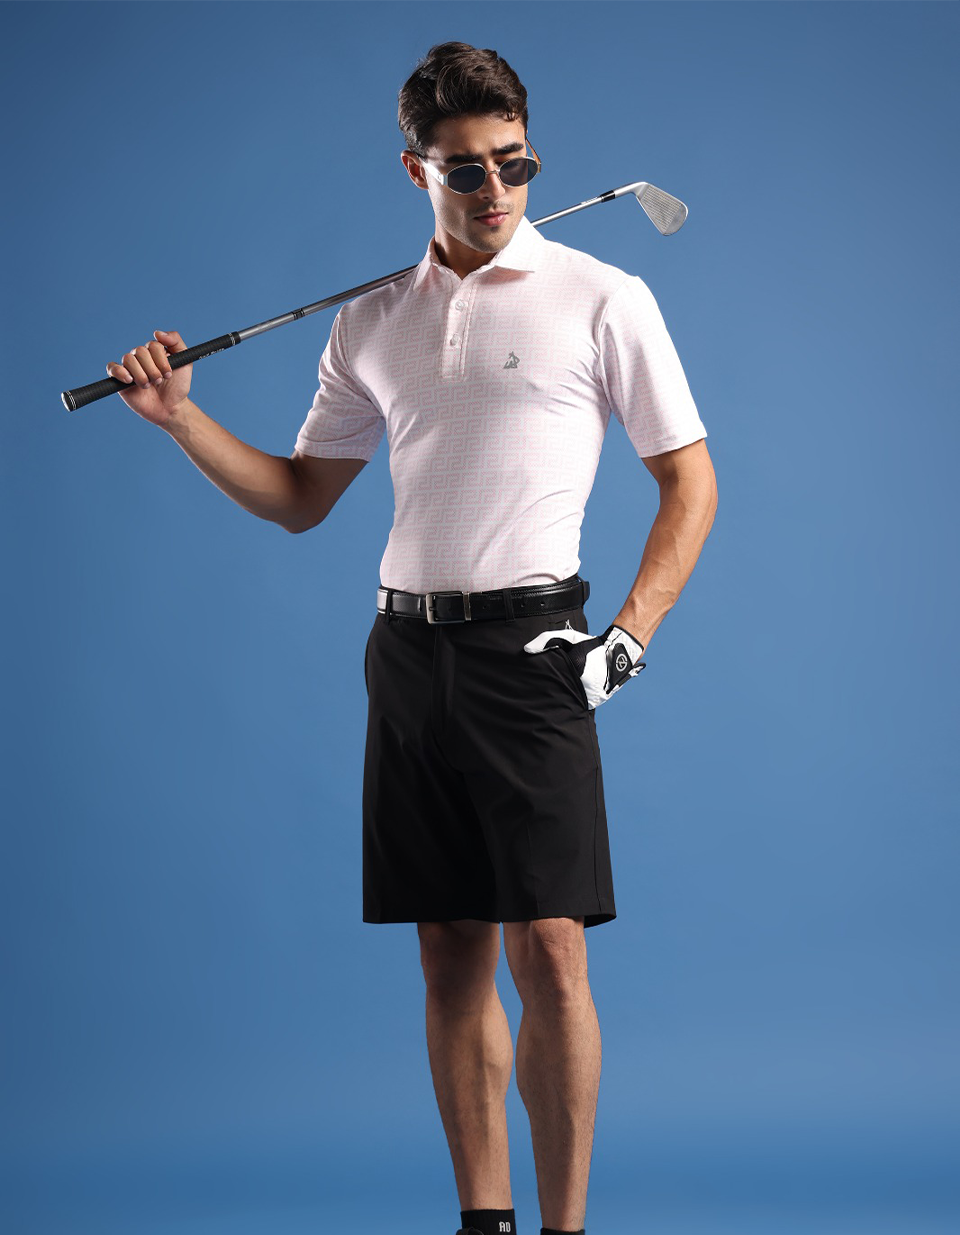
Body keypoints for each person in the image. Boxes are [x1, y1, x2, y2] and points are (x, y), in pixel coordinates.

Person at [105, 40, 717, 1235]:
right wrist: (179, 420)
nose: (494, 190)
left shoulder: (604, 296)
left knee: (551, 948)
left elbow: (690, 481)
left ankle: (565, 1227)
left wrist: (629, 637)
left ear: (533, 154)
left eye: (514, 163)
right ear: (415, 170)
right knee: (449, 948)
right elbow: (299, 496)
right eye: (464, 169)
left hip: (535, 651)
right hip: (407, 654)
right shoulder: (371, 320)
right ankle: (484, 1221)